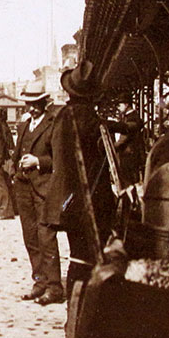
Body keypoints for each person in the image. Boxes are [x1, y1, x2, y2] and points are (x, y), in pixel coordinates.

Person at [44, 60, 115, 294]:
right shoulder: (94, 121)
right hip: (95, 198)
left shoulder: (63, 117)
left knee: (78, 255)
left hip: (69, 199)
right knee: (93, 255)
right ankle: (86, 309)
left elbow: (58, 157)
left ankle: (75, 312)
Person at [10, 83, 60, 302]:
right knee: (30, 236)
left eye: (35, 104)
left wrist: (38, 161)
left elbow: (59, 157)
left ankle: (55, 287)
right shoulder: (24, 126)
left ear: (44, 102)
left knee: (46, 236)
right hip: (23, 187)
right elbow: (16, 153)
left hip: (43, 188)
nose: (31, 108)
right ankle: (39, 282)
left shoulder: (53, 124)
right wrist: (13, 172)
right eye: (28, 104)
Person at [106, 96, 147, 190]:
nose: (118, 107)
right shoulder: (130, 117)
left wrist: (111, 147)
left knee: (129, 184)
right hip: (131, 154)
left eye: (119, 105)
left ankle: (131, 203)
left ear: (126, 104)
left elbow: (124, 138)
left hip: (129, 155)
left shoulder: (132, 118)